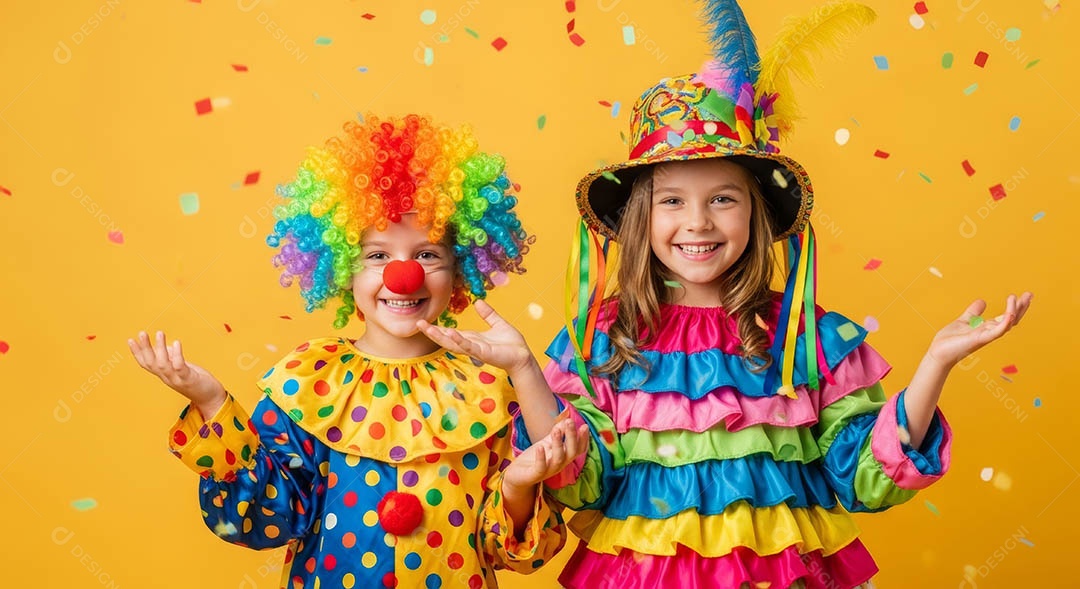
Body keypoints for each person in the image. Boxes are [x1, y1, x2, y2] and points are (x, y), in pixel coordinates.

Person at [426, 2, 1033, 587]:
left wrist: (935, 365)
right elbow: (580, 480)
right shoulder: (603, 340)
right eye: (672, 201)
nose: (698, 223)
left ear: (756, 214)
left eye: (723, 198)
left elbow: (866, 480)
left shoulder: (806, 338)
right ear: (640, 220)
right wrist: (527, 369)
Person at [128, 114, 585, 589]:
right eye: (378, 255)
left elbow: (517, 548)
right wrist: (211, 403)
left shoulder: (489, 386)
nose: (401, 275)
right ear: (342, 265)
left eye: (427, 254)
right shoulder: (308, 381)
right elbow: (267, 519)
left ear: (462, 268)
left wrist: (515, 485)